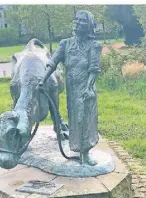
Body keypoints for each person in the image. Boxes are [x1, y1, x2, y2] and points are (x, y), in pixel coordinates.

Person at [39, 10, 102, 166]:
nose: (77, 22)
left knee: (85, 119)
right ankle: (78, 151)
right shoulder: (65, 44)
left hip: (87, 89)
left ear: (88, 26)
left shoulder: (94, 45)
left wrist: (88, 88)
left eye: (82, 21)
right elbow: (52, 62)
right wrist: (43, 80)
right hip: (72, 91)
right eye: (76, 19)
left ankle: (86, 153)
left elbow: (93, 69)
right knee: (75, 120)